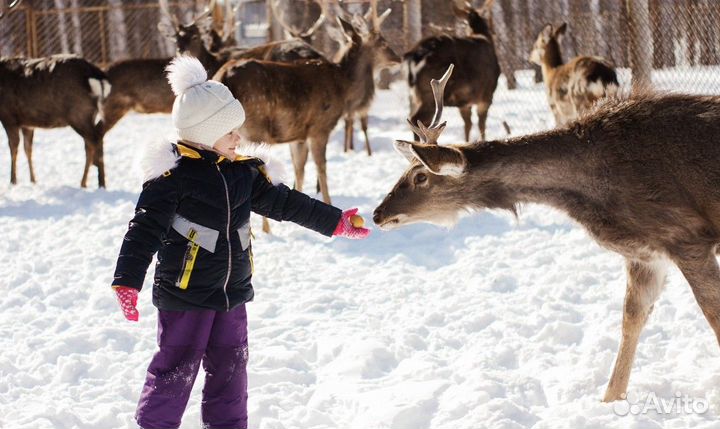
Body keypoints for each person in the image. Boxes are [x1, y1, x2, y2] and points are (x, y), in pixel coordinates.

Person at [110, 55, 369, 429]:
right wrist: (127, 280)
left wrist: (335, 221)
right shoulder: (172, 178)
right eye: (229, 130)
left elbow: (285, 202)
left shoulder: (243, 173)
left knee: (231, 370)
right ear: (203, 132)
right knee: (176, 370)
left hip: (232, 294)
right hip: (185, 295)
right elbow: (143, 230)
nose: (238, 136)